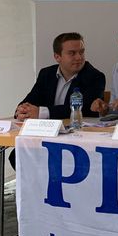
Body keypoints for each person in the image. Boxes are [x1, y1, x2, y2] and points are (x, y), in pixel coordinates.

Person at [12, 32, 105, 167]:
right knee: (17, 155)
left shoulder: (95, 76)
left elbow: (81, 108)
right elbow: (31, 99)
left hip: (77, 139)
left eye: (81, 52)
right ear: (57, 57)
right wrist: (22, 110)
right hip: (46, 135)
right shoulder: (46, 74)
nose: (79, 57)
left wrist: (41, 113)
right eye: (72, 53)